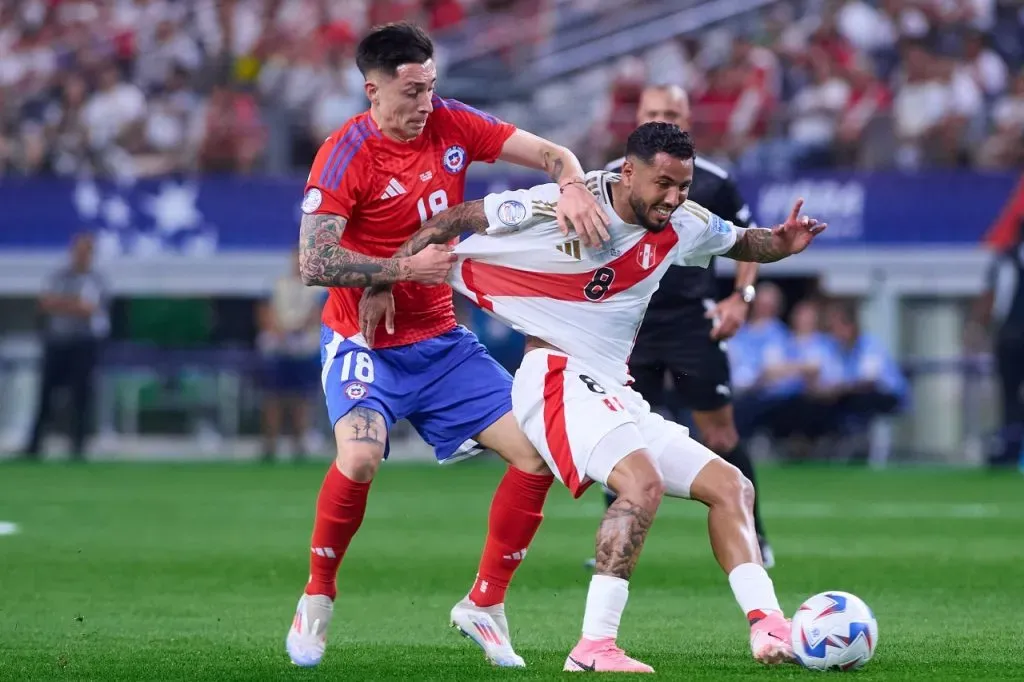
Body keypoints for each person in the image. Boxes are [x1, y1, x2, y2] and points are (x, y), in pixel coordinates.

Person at [360, 123, 827, 672]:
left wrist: (783, 243)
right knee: (642, 483)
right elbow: (456, 218)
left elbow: (742, 241)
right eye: (664, 184)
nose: (675, 198)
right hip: (554, 373)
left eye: (684, 185)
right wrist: (389, 276)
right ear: (628, 173)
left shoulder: (683, 222)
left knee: (732, 486)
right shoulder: (559, 206)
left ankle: (769, 630)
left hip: (610, 387)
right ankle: (594, 647)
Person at [285, 22, 610, 669]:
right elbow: (313, 260)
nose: (424, 104)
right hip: (364, 341)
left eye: (431, 87)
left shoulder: (453, 126)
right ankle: (317, 598)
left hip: (441, 343)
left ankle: (484, 605)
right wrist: (393, 272)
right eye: (410, 92)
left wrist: (571, 183)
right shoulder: (346, 153)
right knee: (359, 459)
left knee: (535, 456)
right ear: (372, 90)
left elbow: (553, 154)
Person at [601, 84, 775, 566]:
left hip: (690, 323)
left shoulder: (714, 181)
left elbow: (747, 243)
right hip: (627, 325)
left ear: (689, 117)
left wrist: (740, 299)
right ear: (637, 118)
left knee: (719, 433)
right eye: (655, 112)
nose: (665, 118)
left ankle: (754, 535)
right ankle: (615, 547)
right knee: (618, 434)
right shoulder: (608, 181)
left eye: (673, 112)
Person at [22, 233, 110, 461]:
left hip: (83, 344)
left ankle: (78, 447)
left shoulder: (96, 280)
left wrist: (63, 304)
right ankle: (35, 446)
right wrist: (74, 304)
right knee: (46, 396)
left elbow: (91, 309)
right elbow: (46, 303)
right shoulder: (58, 277)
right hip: (57, 342)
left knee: (81, 397)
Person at [256, 248, 324, 462]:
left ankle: (300, 444)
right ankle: (270, 445)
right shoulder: (278, 285)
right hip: (278, 347)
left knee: (301, 399)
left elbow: (319, 313)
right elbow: (264, 312)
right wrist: (280, 332)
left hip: (304, 348)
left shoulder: (318, 287)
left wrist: (299, 329)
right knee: (273, 398)